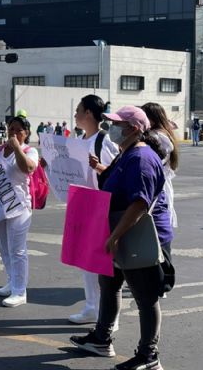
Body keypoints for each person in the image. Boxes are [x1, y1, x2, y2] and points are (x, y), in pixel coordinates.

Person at [70, 105, 172, 370]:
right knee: (110, 284)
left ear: (134, 129)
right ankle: (102, 338)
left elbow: (139, 203)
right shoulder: (126, 152)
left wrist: (115, 236)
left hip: (136, 234)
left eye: (118, 124)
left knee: (145, 297)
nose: (112, 127)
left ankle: (149, 355)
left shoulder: (141, 158)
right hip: (120, 231)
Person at [0, 116, 39, 307]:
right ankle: (12, 281)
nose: (13, 133)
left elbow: (28, 168)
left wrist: (17, 147)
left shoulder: (30, 151)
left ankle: (20, 291)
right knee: (4, 246)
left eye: (18, 130)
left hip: (19, 207)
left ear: (26, 133)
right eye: (11, 129)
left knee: (17, 250)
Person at [69, 95, 120, 325]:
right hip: (83, 204)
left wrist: (99, 168)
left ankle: (109, 316)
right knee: (86, 260)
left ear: (88, 113)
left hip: (100, 206)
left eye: (78, 110)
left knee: (103, 264)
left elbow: (113, 175)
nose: (75, 114)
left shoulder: (103, 141)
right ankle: (92, 307)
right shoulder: (80, 140)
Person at [142, 103, 179, 231]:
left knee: (155, 223)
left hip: (157, 185)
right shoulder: (164, 133)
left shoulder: (156, 136)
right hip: (162, 183)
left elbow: (154, 160)